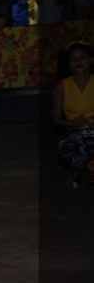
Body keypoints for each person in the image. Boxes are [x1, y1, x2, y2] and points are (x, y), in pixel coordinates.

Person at [52, 42, 94, 189]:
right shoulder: (62, 86)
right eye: (73, 59)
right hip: (74, 133)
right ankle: (76, 168)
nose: (78, 62)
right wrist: (72, 123)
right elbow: (56, 119)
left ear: (91, 60)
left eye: (82, 57)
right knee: (69, 153)